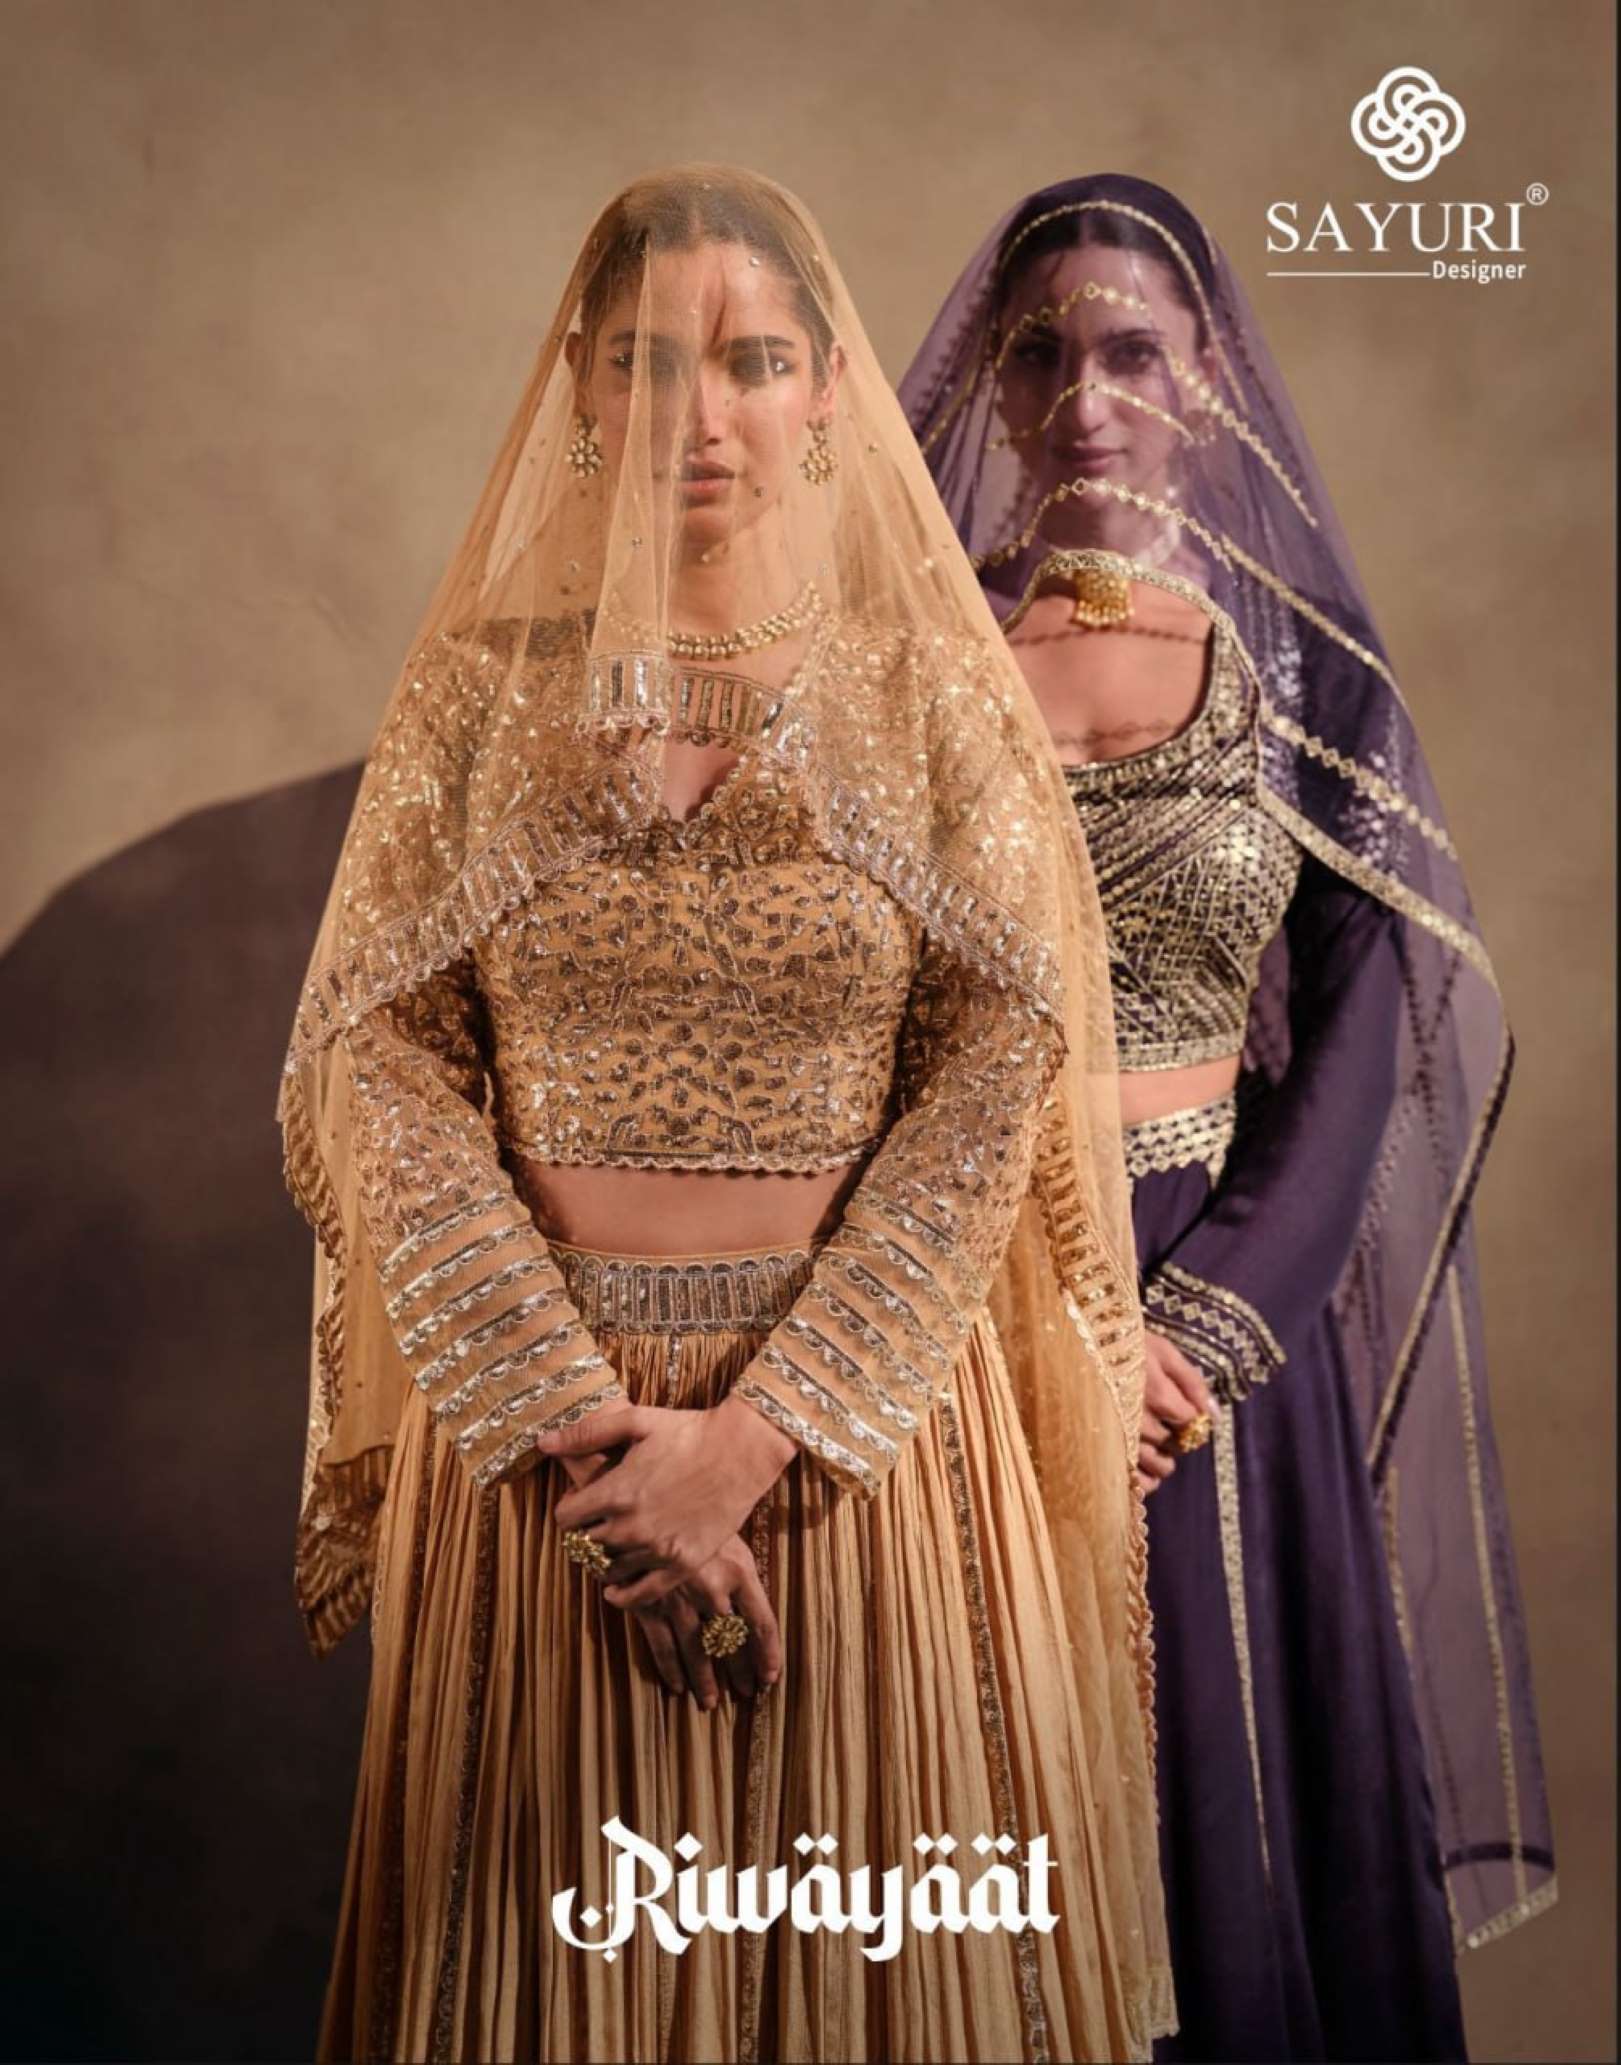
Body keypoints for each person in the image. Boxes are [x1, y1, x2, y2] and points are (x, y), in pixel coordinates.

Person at [279, 166, 1171, 2064]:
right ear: (580, 386)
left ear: (827, 390)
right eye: (649, 361)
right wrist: (568, 1421)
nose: (704, 412)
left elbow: (996, 1071)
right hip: (549, 1464)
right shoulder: (476, 703)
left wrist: (760, 1437)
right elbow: (384, 1062)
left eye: (753, 360)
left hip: (859, 1453)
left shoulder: (931, 699)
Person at [901, 172, 1554, 2063]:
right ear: (993, 386)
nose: (1085, 395)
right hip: (955, 1287)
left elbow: (1366, 1030)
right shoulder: (911, 666)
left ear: (1206, 376)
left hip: (1209, 1298)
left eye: (1131, 350)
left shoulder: (1302, 672)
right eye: (1041, 354)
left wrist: (1195, 1332)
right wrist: (960, 1304)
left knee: (1222, 1769)